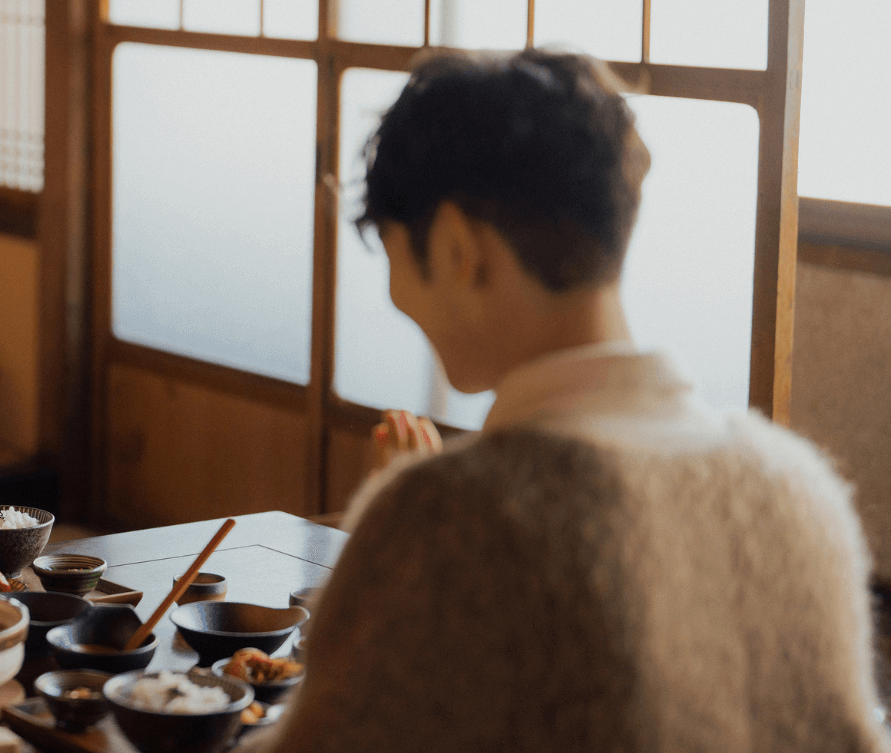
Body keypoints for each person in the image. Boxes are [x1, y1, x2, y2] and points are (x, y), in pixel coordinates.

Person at [249, 49, 887, 752]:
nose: (396, 292)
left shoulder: (444, 517)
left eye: (394, 251)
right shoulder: (799, 491)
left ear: (460, 248)